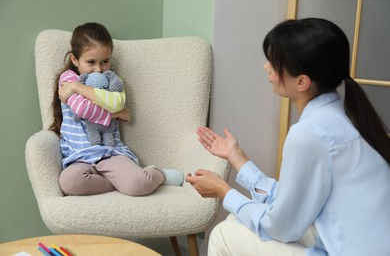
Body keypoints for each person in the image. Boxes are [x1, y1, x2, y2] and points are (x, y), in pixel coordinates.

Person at [186, 18, 390, 256]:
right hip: (357, 242)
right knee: (237, 219)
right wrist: (235, 155)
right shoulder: (339, 116)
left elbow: (281, 227)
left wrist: (223, 190)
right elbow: (289, 203)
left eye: (274, 63)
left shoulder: (309, 134)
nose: (266, 67)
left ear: (302, 82)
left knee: (224, 233)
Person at [50, 22, 183, 196]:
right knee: (69, 182)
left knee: (137, 185)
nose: (98, 69)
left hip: (110, 153)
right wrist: (118, 114)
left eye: (105, 61)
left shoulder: (110, 79)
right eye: (91, 62)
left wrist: (78, 89)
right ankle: (123, 181)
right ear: (75, 60)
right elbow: (83, 110)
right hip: (79, 157)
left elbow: (117, 102)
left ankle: (159, 174)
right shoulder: (68, 80)